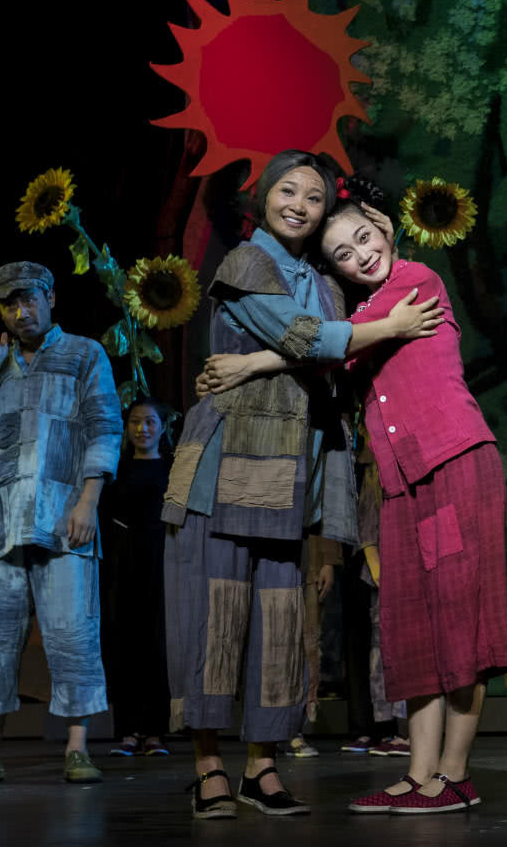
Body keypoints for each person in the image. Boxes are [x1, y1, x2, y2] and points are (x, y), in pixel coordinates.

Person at [202, 172, 507, 814]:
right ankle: (419, 775)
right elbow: (334, 346)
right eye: (342, 254)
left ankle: (454, 776)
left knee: (460, 621)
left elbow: (327, 346)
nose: (361, 256)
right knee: (412, 628)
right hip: (399, 479)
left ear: (385, 230)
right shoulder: (362, 314)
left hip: (452, 460)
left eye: (365, 239)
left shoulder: (414, 283)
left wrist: (251, 361)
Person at [163, 150, 442, 820]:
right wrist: (392, 326)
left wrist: (251, 364)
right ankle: (208, 768)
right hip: (225, 468)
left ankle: (262, 767)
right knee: (214, 616)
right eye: (288, 191)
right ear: (263, 198)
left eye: (314, 197)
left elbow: (334, 352)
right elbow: (305, 338)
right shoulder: (245, 264)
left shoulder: (322, 280)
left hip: (292, 474)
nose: (300, 205)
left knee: (280, 625)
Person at [0, 261, 122, 785]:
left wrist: (89, 501)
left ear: (51, 298)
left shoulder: (84, 354)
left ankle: (77, 749)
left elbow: (105, 427)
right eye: (9, 305)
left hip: (65, 518)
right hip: (1, 524)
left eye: (29, 299)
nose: (21, 312)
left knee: (72, 634)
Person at [99, 396, 173, 758]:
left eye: (150, 422)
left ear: (163, 427)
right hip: (122, 562)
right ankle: (127, 731)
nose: (142, 429)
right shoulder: (115, 469)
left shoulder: (173, 469)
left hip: (162, 559)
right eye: (135, 422)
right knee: (123, 643)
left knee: (158, 643)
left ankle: (155, 731)